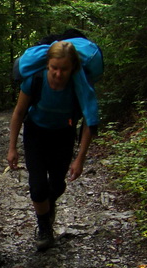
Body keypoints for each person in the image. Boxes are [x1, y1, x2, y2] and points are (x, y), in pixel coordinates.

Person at [7, 34, 102, 251]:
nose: (58, 74)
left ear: (73, 69)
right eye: (54, 68)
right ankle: (44, 228)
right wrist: (12, 147)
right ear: (47, 65)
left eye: (64, 69)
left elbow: (89, 121)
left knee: (57, 185)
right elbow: (19, 112)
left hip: (63, 135)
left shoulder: (79, 87)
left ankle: (47, 208)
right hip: (36, 134)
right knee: (38, 187)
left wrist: (80, 159)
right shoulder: (35, 79)